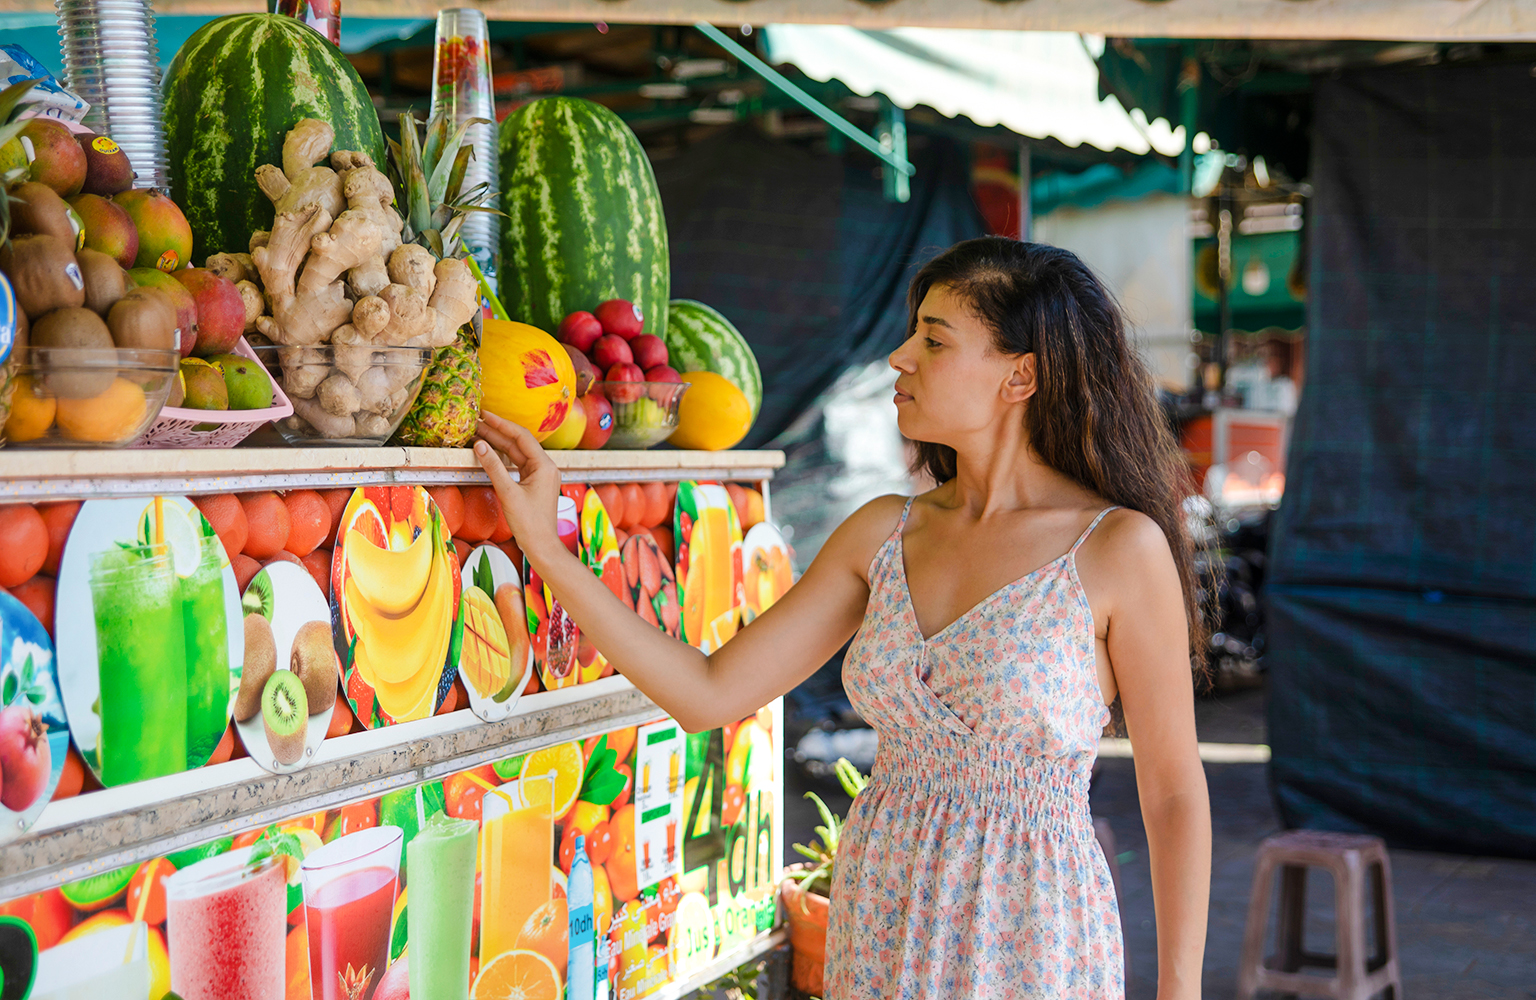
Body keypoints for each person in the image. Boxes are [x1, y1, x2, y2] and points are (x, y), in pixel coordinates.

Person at [473, 236, 1211, 999]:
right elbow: (706, 693)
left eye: (932, 338)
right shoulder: (884, 535)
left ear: (1020, 374)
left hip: (1030, 929)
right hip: (881, 914)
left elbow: (1174, 790)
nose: (899, 358)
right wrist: (550, 552)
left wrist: (1181, 989)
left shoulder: (1118, 548)